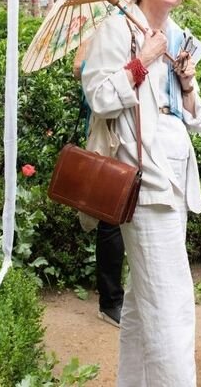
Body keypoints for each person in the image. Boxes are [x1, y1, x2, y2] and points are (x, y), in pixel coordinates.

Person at [81, 0, 201, 387]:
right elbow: (99, 96)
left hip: (176, 173)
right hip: (142, 175)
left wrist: (188, 83)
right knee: (170, 297)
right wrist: (142, 60)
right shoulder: (116, 31)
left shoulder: (179, 36)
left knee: (141, 297)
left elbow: (194, 119)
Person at [73, 40, 125, 329]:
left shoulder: (147, 28)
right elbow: (78, 68)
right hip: (108, 132)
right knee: (110, 218)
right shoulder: (102, 30)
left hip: (141, 136)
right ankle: (110, 301)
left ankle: (123, 296)